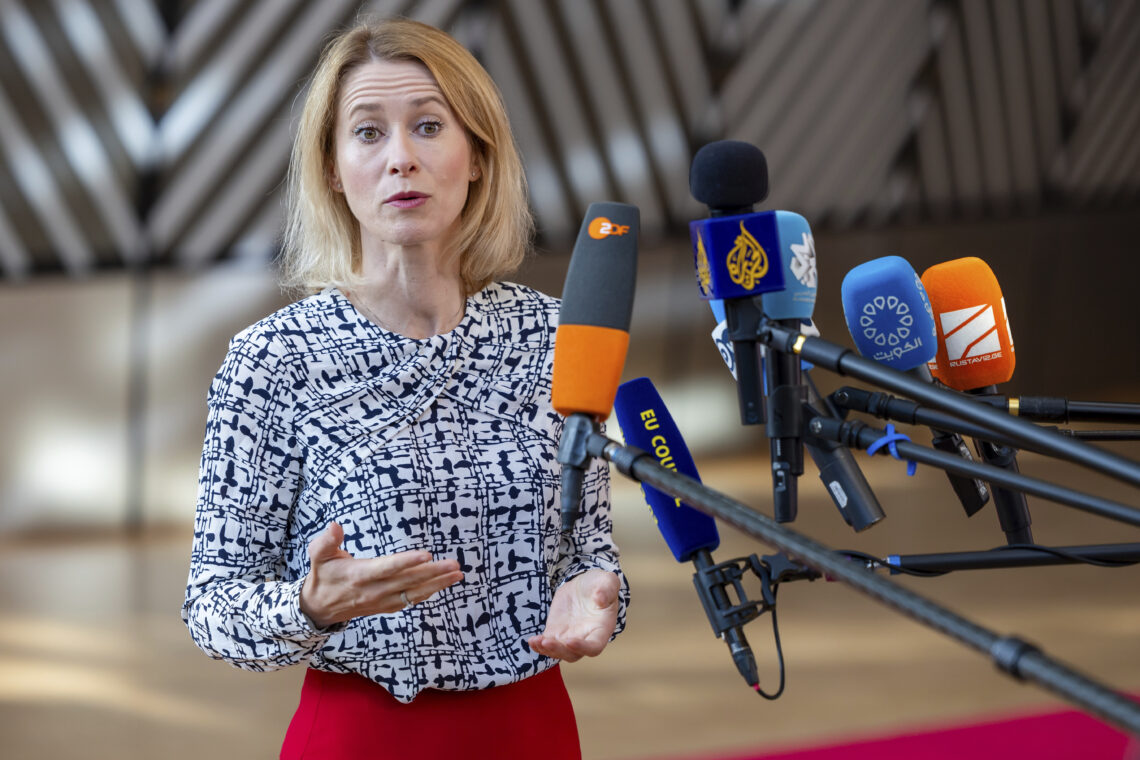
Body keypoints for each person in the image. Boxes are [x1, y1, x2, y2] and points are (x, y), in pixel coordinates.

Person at [181, 16, 628, 760]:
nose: (401, 159)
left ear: (477, 155)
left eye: (428, 126)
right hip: (361, 734)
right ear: (332, 168)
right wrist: (308, 605)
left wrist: (600, 590)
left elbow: (589, 547)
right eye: (367, 133)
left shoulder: (553, 337)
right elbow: (212, 607)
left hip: (534, 730)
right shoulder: (275, 360)